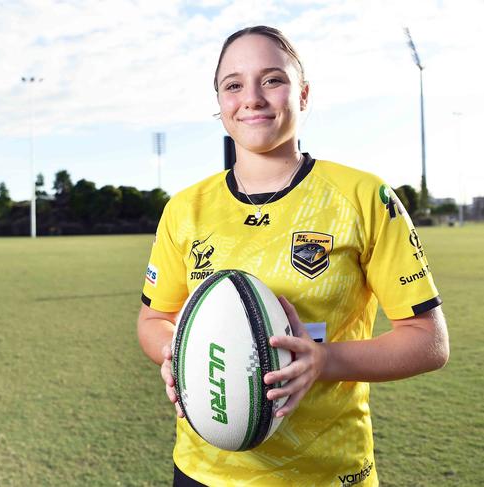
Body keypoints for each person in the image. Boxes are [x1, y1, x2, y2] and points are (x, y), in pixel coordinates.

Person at [136, 25, 449, 486]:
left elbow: (429, 341)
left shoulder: (363, 197)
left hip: (325, 472)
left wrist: (325, 362)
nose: (253, 98)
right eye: (233, 84)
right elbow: (153, 320)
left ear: (302, 95)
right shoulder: (185, 209)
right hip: (202, 470)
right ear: (219, 104)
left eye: (272, 80)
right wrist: (178, 353)